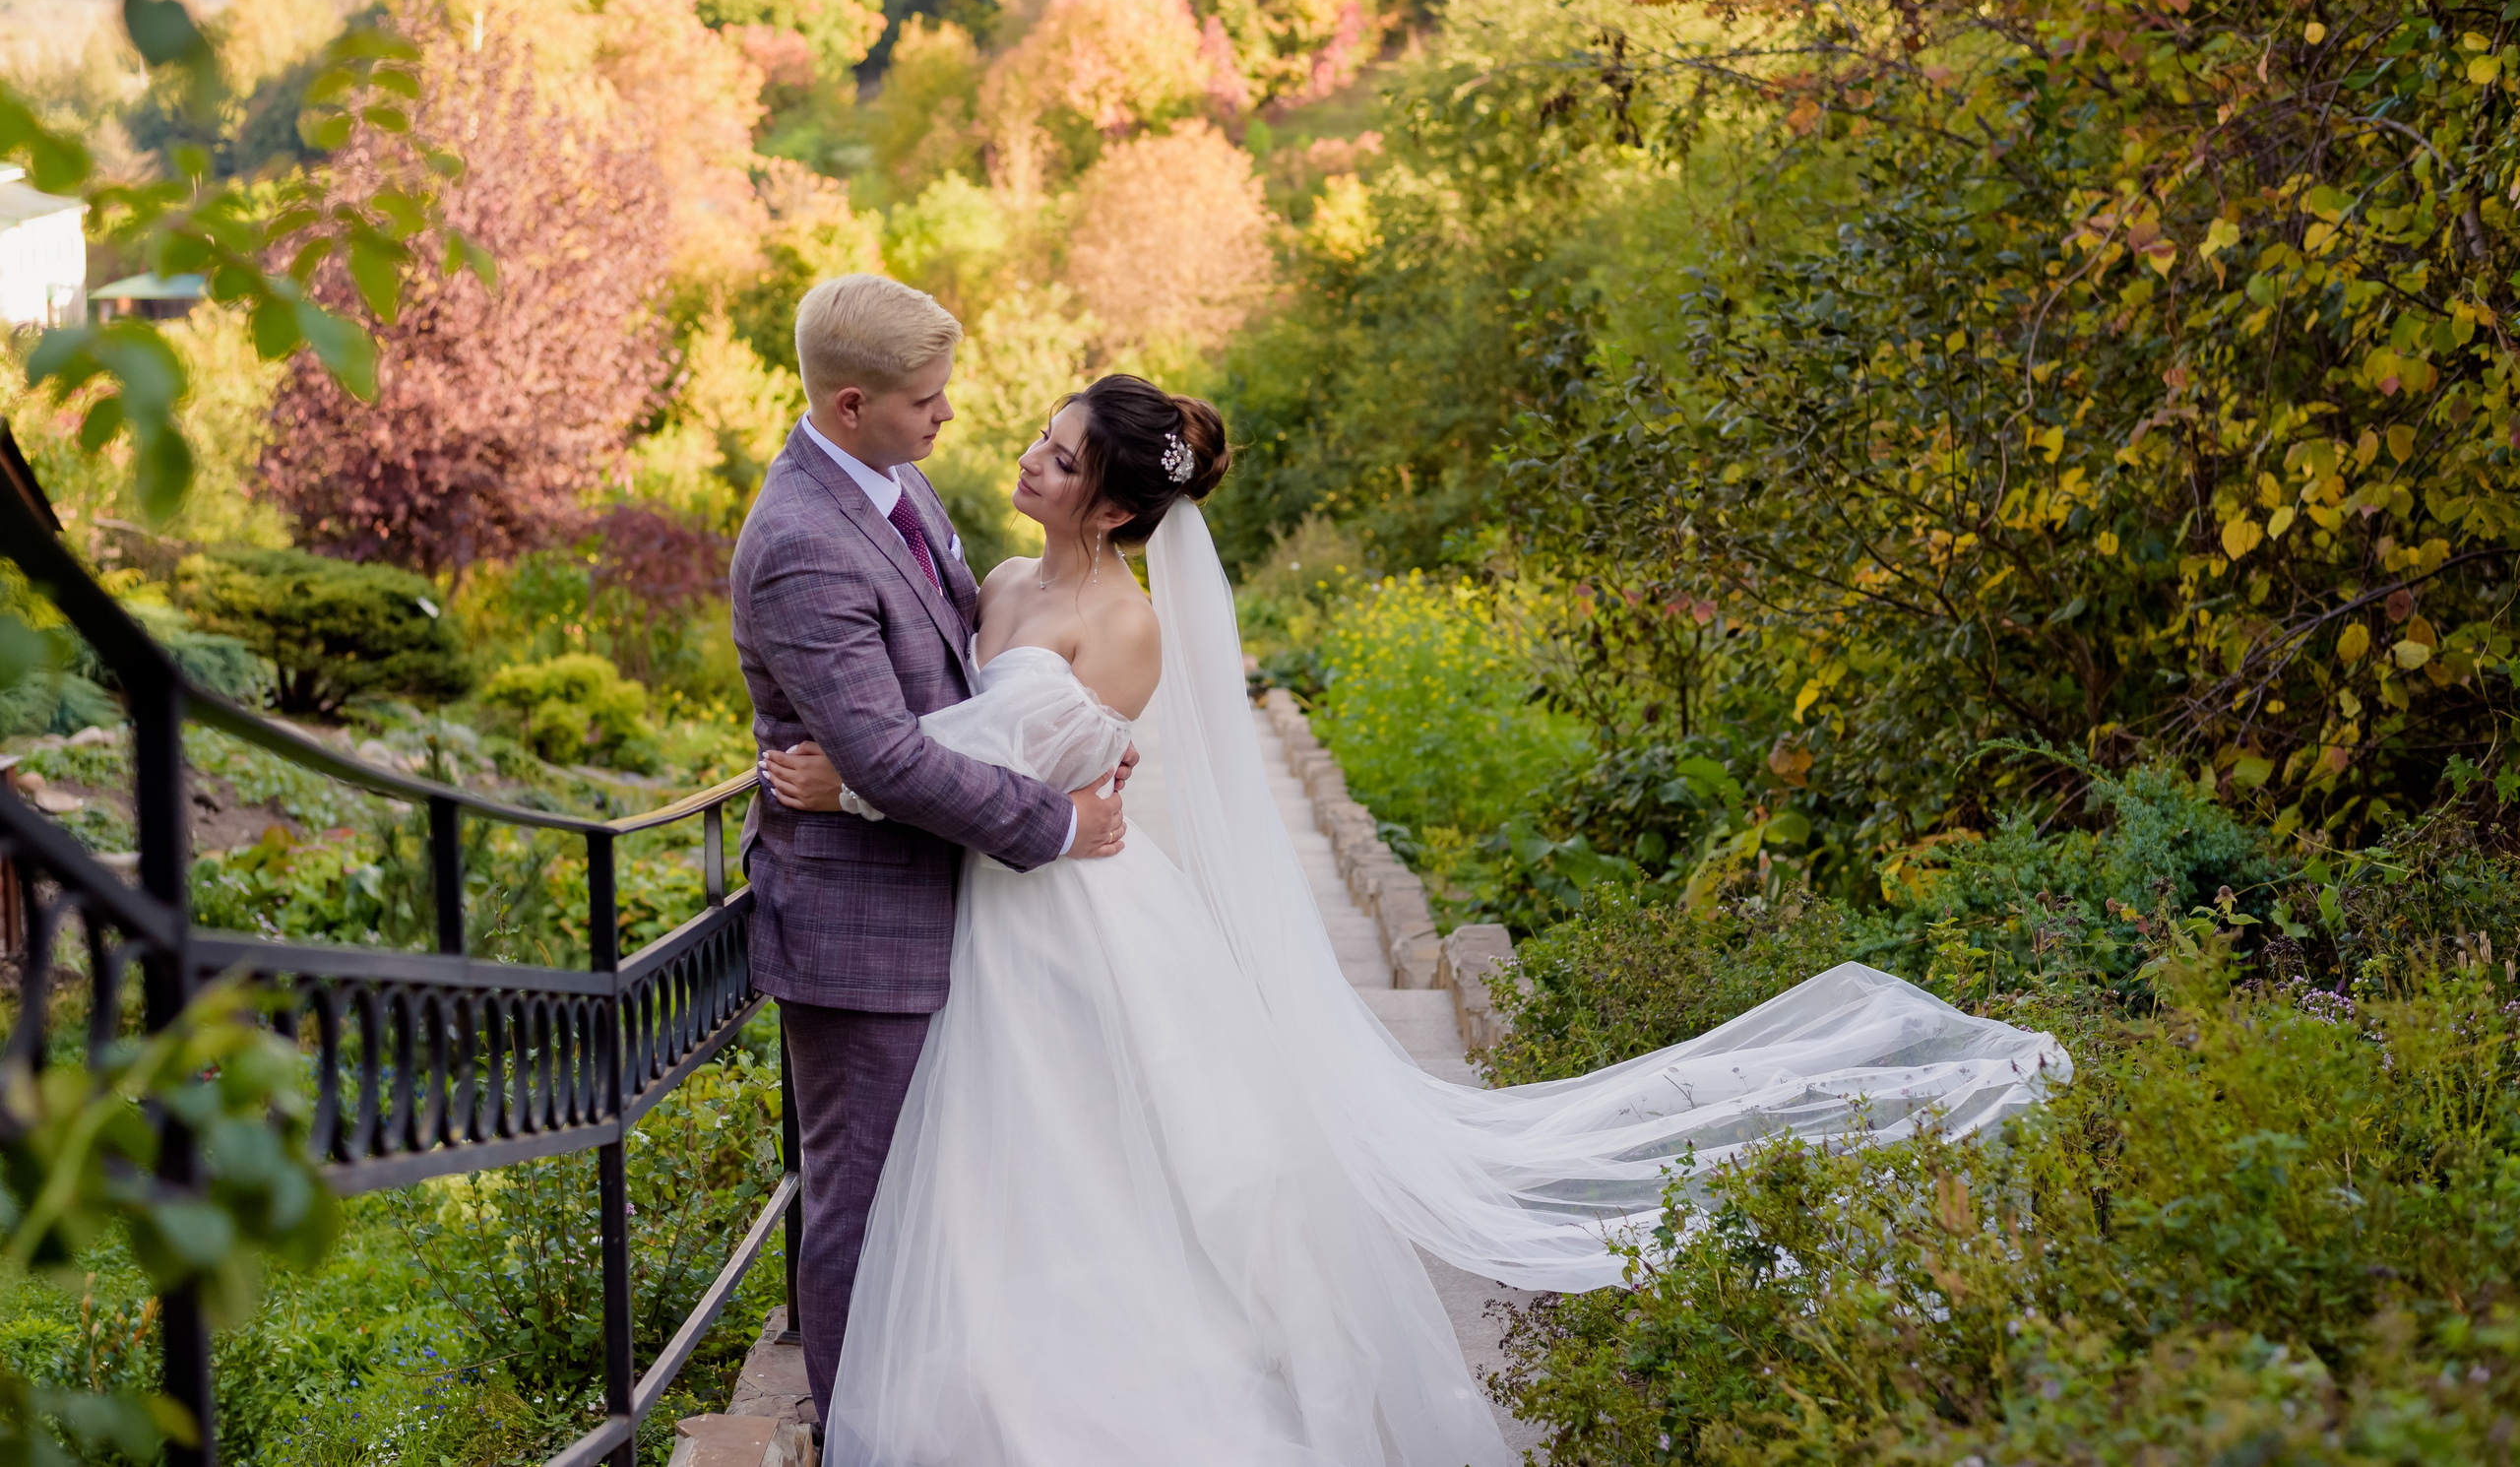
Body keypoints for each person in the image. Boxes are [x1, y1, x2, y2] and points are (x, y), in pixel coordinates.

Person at [760, 373, 2073, 1465]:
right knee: (1017, 1154)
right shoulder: (992, 575)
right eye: (1040, 445)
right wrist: (883, 763)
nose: (1029, 462)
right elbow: (948, 735)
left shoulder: (1126, 622)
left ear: (1109, 503)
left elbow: (995, 765)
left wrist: (855, 787)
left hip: (1075, 903)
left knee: (1100, 1142)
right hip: (1006, 901)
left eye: (1056, 457)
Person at [727, 275, 1136, 1439]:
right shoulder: (804, 542)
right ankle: (856, 1432)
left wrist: (1080, 744)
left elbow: (960, 668)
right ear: (851, 402)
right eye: (926, 398)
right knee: (863, 1204)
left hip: (936, 892)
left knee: (941, 1198)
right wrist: (1055, 824)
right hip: (860, 924)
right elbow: (888, 756)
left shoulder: (890, 482)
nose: (949, 414)